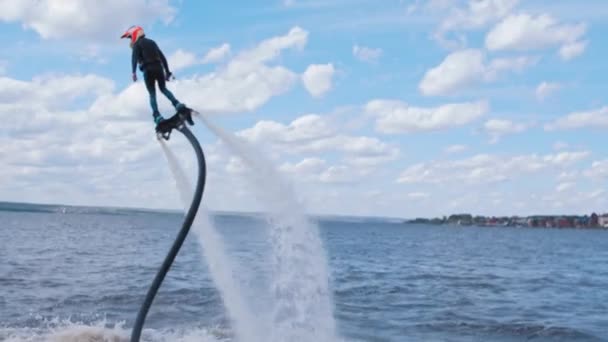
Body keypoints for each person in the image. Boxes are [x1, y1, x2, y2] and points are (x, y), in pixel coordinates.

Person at [120, 25, 187, 125]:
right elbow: (162, 57)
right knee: (163, 89)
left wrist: (133, 72)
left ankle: (157, 115)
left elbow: (134, 58)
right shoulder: (152, 42)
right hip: (158, 68)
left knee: (152, 93)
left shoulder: (137, 45)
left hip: (148, 70)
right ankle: (177, 104)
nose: (130, 40)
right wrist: (167, 72)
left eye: (130, 37)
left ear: (134, 34)